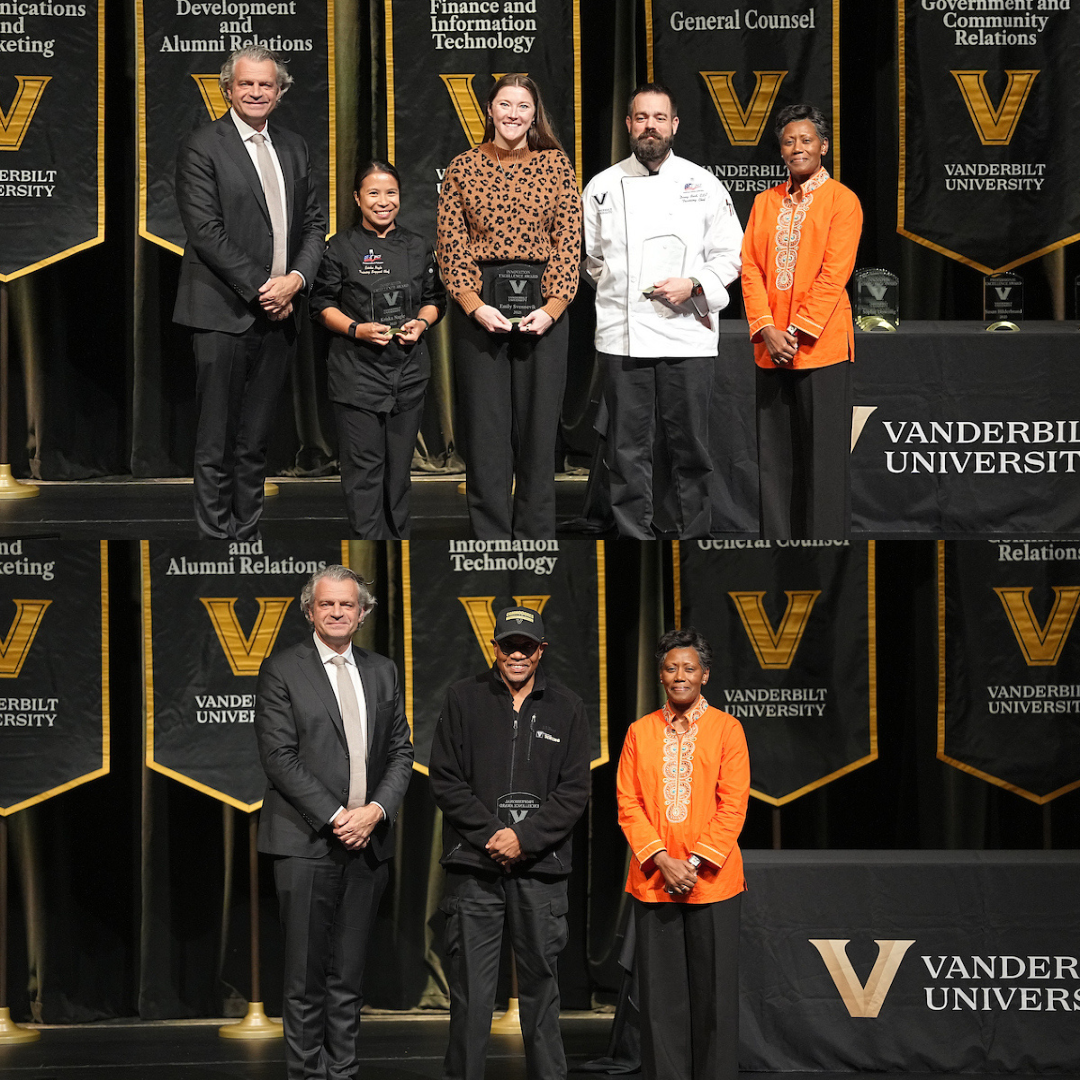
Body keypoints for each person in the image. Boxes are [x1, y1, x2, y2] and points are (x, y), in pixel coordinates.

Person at [255, 564, 414, 1080]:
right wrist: (339, 816)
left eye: (348, 604)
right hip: (305, 844)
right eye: (327, 604)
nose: (338, 612)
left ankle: (343, 1072)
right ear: (309, 611)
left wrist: (375, 811)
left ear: (363, 613)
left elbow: (401, 751)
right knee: (305, 981)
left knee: (348, 978)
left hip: (368, 845)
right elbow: (279, 757)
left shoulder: (383, 670)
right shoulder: (282, 669)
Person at [429, 606, 591, 1080]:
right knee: (471, 997)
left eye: (527, 646)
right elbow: (446, 780)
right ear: (495, 647)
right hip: (474, 871)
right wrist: (491, 836)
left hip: (540, 870)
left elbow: (574, 791)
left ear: (541, 650)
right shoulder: (463, 698)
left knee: (541, 993)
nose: (517, 654)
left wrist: (523, 838)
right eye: (508, 645)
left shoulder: (568, 706)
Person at [174, 46, 327, 541]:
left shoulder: (295, 146)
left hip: (282, 311)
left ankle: (247, 533)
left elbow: (314, 225)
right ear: (228, 89)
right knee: (216, 437)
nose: (257, 92)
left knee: (256, 438)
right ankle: (215, 536)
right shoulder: (202, 145)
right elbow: (206, 232)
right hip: (222, 309)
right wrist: (266, 289)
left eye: (266, 84)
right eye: (247, 84)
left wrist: (295, 281)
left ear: (279, 92)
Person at [582, 83, 743, 539]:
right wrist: (625, 291)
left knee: (690, 446)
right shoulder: (602, 186)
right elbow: (591, 260)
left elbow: (731, 255)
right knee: (626, 448)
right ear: (628, 124)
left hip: (687, 333)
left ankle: (693, 535)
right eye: (640, 117)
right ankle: (633, 534)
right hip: (622, 334)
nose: (649, 126)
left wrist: (693, 284)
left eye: (658, 118)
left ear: (674, 125)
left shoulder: (703, 184)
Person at [436, 74, 582, 540]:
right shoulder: (462, 166)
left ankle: (535, 535)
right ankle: (491, 536)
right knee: (486, 430)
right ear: (489, 109)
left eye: (523, 106)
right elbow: (451, 243)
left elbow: (568, 240)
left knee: (538, 431)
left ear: (534, 114)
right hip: (481, 304)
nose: (513, 114)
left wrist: (553, 305)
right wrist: (473, 304)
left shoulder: (556, 165)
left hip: (543, 301)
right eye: (505, 104)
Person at [616, 628, 749, 1080]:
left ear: (704, 675)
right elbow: (628, 803)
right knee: (661, 1004)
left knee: (714, 1000)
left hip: (712, 883)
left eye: (689, 668)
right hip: (655, 882)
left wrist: (691, 864)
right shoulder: (639, 732)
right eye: (671, 668)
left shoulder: (728, 729)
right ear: (660, 675)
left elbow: (733, 805)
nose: (680, 676)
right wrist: (662, 860)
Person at [740, 103, 863, 541]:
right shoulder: (764, 202)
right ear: (781, 150)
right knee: (775, 464)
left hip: (821, 348)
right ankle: (776, 552)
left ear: (823, 146)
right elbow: (750, 268)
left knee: (824, 463)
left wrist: (793, 333)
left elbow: (834, 274)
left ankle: (826, 553)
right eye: (789, 141)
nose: (797, 148)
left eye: (806, 140)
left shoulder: (842, 201)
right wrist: (767, 329)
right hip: (770, 348)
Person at [310, 161, 446, 538]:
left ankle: (398, 540)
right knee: (364, 474)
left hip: (408, 374)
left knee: (399, 474)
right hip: (357, 375)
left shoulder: (418, 246)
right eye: (373, 193)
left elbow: (435, 300)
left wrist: (421, 324)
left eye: (391, 193)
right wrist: (357, 329)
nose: (383, 201)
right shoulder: (339, 247)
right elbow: (320, 305)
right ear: (357, 198)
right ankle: (368, 542)